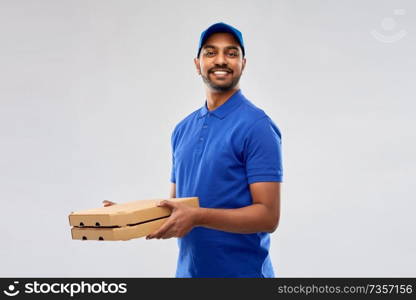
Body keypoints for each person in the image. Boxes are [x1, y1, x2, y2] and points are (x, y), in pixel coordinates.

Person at [104, 22, 283, 278]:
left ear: (243, 63)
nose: (221, 60)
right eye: (210, 52)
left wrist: (198, 217)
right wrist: (127, 217)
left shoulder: (257, 126)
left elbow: (267, 216)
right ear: (197, 64)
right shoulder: (182, 130)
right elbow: (176, 207)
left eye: (231, 53)